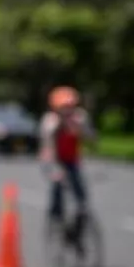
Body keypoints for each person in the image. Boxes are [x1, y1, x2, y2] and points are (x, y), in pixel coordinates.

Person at [39, 86, 97, 234]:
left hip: (72, 159)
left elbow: (91, 137)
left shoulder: (80, 117)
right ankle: (56, 216)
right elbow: (48, 146)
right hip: (54, 160)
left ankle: (80, 217)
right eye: (64, 107)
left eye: (70, 106)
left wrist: (80, 129)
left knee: (79, 190)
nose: (68, 110)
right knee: (58, 184)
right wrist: (55, 169)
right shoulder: (50, 121)